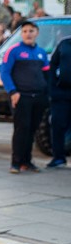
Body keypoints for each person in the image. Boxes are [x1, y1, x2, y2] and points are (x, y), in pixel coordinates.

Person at [0, 20, 50, 174]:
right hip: (21, 97)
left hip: (38, 97)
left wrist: (46, 94)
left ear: (37, 33)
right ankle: (16, 162)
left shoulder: (41, 52)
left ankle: (27, 162)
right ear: (21, 34)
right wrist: (13, 92)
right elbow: (5, 73)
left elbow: (46, 74)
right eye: (25, 31)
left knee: (32, 129)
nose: (28, 34)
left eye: (31, 31)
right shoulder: (13, 51)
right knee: (21, 129)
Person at [46, 34, 71, 169]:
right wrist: (53, 90)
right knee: (57, 126)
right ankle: (58, 158)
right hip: (61, 94)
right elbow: (53, 65)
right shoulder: (64, 44)